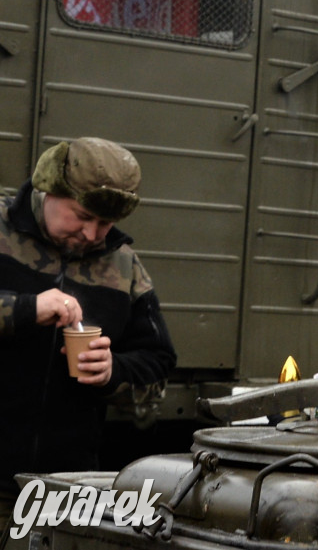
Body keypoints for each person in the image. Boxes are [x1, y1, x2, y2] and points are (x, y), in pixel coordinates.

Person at [0, 138, 177, 522]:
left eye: (106, 223)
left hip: (63, 493)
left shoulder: (124, 268)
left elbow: (158, 364)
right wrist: (24, 309)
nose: (93, 234)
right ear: (48, 190)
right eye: (81, 216)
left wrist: (113, 373)